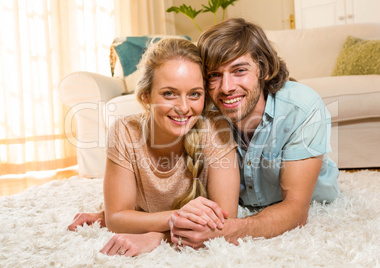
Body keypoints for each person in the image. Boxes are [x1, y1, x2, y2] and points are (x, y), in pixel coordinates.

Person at [168, 18, 340, 248]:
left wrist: (228, 231)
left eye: (239, 70)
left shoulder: (302, 108)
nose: (227, 87)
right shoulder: (205, 112)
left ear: (264, 69)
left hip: (314, 200)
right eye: (214, 75)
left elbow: (297, 211)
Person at [67, 38, 240, 257]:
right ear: (146, 95)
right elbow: (117, 219)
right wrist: (177, 218)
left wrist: (158, 236)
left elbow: (225, 223)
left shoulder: (216, 130)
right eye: (169, 94)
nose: (184, 108)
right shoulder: (125, 131)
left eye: (194, 94)